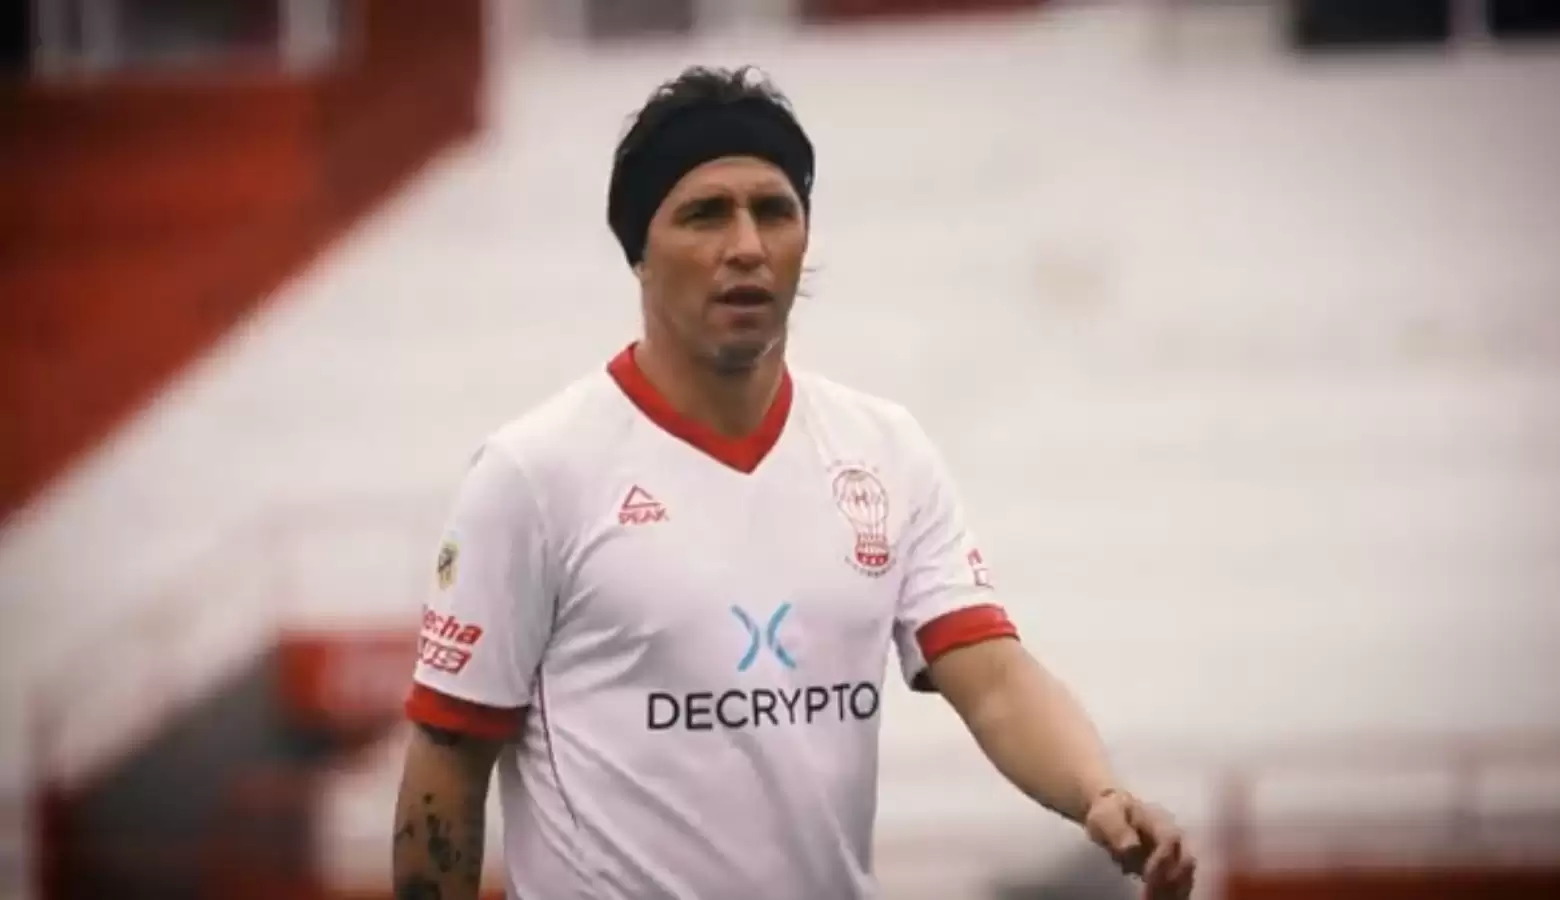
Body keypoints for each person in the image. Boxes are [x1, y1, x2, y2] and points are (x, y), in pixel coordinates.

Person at [391, 65, 1196, 900]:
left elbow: (992, 678)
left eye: (774, 210)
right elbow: (448, 760)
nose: (747, 245)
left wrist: (1097, 791)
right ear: (639, 253)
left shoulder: (885, 450)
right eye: (705, 213)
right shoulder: (533, 474)